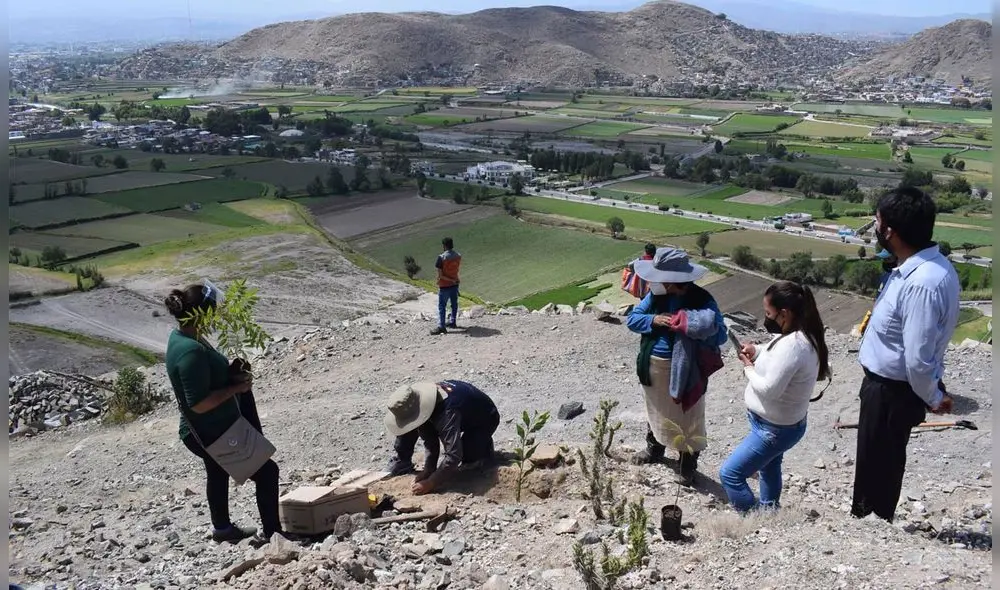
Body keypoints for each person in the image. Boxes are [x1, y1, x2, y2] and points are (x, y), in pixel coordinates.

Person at [852, 186, 960, 522]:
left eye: (878, 222)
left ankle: (870, 534)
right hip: (886, 389)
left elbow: (917, 358)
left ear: (891, 232)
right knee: (876, 465)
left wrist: (933, 395)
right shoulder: (915, 268)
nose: (874, 228)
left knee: (877, 472)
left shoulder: (922, 283)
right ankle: (868, 526)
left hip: (893, 393)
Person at [164, 283, 282, 544]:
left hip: (206, 428)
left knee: (217, 471)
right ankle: (274, 535)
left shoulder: (184, 337)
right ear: (202, 315)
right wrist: (235, 387)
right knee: (267, 472)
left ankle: (222, 529)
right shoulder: (190, 351)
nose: (218, 316)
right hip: (212, 431)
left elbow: (204, 380)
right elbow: (199, 403)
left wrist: (229, 372)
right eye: (213, 312)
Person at [719, 281, 831, 513]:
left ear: (784, 313)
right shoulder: (803, 334)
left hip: (773, 429)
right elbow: (777, 355)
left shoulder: (794, 345)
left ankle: (755, 518)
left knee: (730, 474)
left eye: (769, 313)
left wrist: (748, 367)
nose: (766, 317)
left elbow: (770, 389)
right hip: (780, 424)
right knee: (770, 467)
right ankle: (770, 510)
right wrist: (757, 351)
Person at [626, 247, 727, 485]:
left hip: (687, 370)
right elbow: (632, 319)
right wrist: (654, 319)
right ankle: (654, 449)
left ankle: (687, 465)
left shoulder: (702, 300)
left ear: (674, 280)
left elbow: (719, 334)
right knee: (656, 409)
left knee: (688, 416)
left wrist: (692, 326)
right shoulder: (656, 296)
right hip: (653, 365)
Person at [384, 380, 500, 494]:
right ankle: (403, 462)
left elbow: (454, 456)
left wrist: (431, 482)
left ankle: (484, 448)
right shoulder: (422, 403)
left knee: (467, 455)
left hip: (485, 417)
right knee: (409, 426)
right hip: (461, 411)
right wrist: (429, 469)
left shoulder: (446, 412)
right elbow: (430, 440)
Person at [431, 237, 462, 335]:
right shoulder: (458, 256)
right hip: (455, 284)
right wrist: (454, 280)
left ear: (444, 246)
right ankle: (453, 322)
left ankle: (442, 326)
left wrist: (449, 280)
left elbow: (441, 275)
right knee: (454, 304)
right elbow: (455, 270)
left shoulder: (441, 258)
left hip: (445, 285)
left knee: (442, 306)